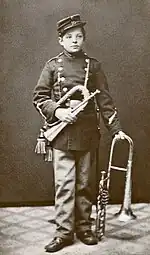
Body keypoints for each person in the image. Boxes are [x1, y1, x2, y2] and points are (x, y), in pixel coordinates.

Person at [33, 14, 126, 253]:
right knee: (64, 185)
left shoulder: (93, 66)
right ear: (60, 40)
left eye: (79, 37)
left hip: (87, 134)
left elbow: (104, 99)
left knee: (85, 184)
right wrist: (59, 111)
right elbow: (39, 98)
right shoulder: (53, 65)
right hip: (62, 135)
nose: (75, 41)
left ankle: (84, 228)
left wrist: (115, 130)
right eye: (69, 37)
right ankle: (64, 233)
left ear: (84, 39)